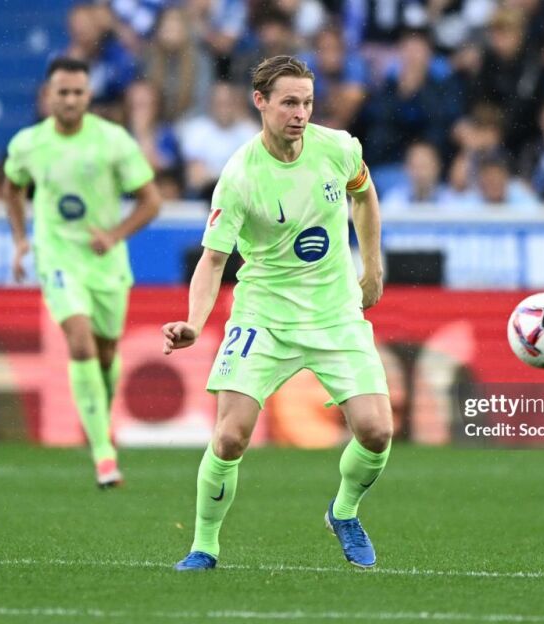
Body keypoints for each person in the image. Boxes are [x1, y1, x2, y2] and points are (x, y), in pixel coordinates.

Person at [161, 55, 392, 571]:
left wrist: (372, 268)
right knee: (230, 436)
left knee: (377, 432)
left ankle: (343, 511)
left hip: (335, 314)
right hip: (263, 317)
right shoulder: (240, 176)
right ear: (260, 102)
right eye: (289, 103)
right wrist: (195, 322)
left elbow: (364, 194)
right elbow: (213, 260)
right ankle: (203, 546)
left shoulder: (338, 148)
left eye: (307, 103)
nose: (300, 114)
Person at [3, 58, 162, 488]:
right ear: (48, 96)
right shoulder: (28, 144)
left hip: (105, 260)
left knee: (106, 352)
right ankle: (103, 455)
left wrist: (114, 235)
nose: (70, 100)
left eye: (78, 92)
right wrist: (21, 239)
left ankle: (98, 422)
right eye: (63, 92)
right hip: (57, 255)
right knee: (79, 338)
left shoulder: (113, 141)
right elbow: (12, 188)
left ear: (89, 96)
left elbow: (151, 200)